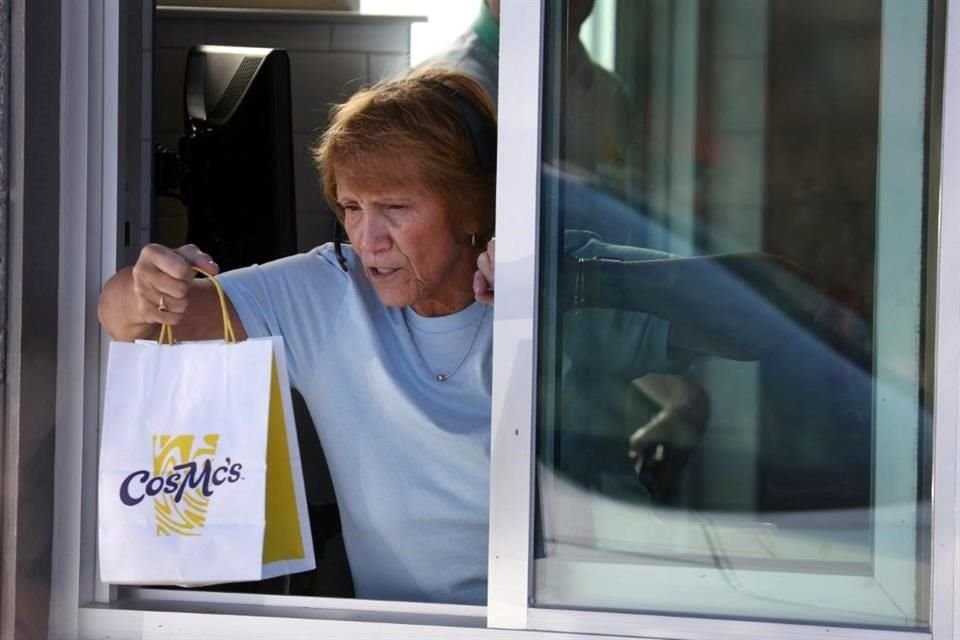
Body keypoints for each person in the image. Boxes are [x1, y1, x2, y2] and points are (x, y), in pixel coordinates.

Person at [98, 66, 693, 605]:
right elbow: (128, 322)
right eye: (352, 206)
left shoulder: (561, 277)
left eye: (395, 207)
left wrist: (576, 287)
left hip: (587, 618)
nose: (367, 238)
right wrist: (146, 285)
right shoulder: (329, 290)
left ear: (473, 209)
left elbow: (775, 296)